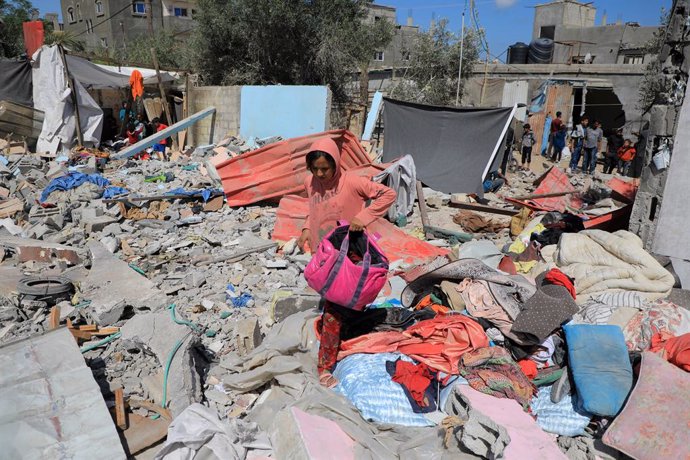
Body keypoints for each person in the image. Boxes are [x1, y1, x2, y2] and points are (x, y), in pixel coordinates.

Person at [298, 138, 396, 387]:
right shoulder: (312, 181)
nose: (320, 174)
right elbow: (313, 207)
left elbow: (388, 194)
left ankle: (325, 366)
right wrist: (308, 228)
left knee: (334, 310)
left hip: (349, 253)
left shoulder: (351, 182)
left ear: (336, 164)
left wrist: (363, 217)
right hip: (326, 252)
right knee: (338, 302)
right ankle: (347, 337)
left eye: (325, 169)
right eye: (315, 169)